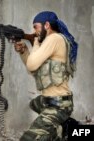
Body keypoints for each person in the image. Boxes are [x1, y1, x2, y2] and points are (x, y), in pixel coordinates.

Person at [13, 11, 78, 140]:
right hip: (48, 101)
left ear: (46, 25)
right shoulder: (50, 42)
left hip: (59, 104)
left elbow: (31, 65)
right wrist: (24, 51)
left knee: (29, 138)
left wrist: (36, 42)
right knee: (34, 103)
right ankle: (59, 129)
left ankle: (62, 130)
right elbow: (33, 69)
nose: (34, 30)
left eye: (36, 26)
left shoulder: (55, 38)